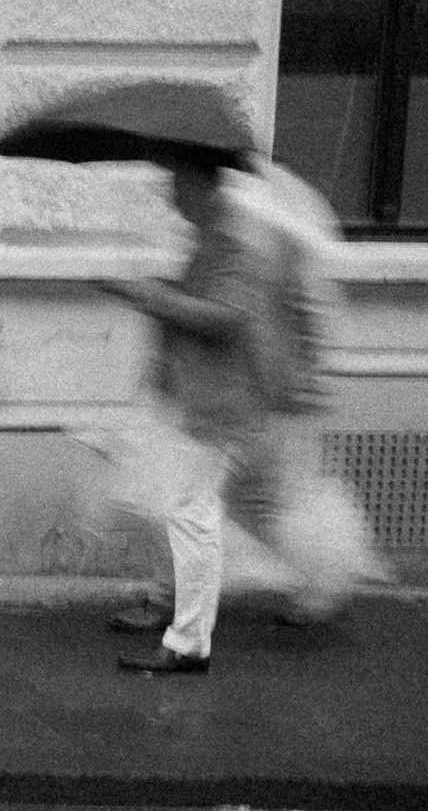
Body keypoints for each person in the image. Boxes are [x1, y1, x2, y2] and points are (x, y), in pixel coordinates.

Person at [97, 148, 356, 672]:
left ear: (203, 185)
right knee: (192, 514)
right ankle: (188, 626)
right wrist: (159, 294)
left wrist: (148, 295)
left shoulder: (237, 244)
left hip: (225, 406)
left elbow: (225, 316)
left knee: (198, 516)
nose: (169, 194)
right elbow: (208, 305)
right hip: (205, 401)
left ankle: (193, 639)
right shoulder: (211, 240)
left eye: (176, 183)